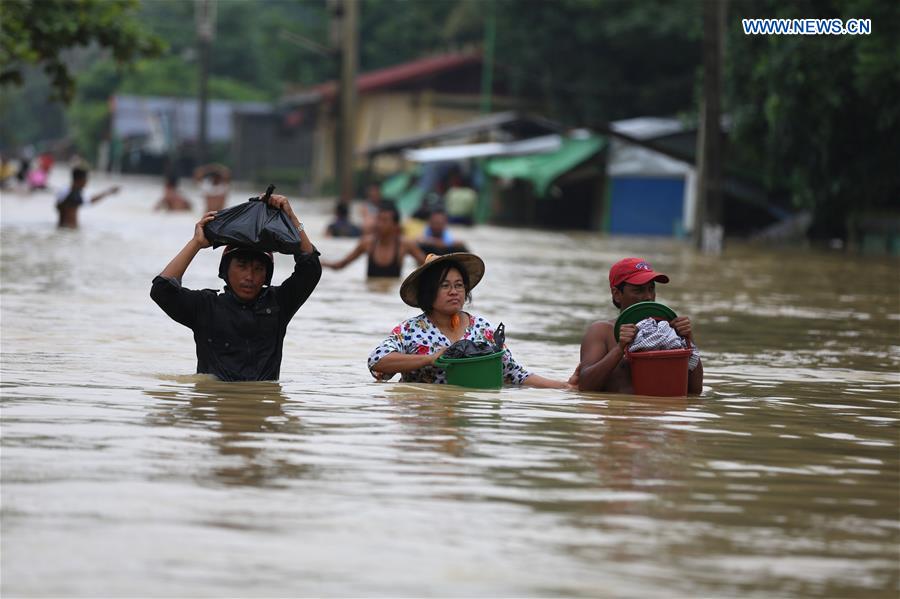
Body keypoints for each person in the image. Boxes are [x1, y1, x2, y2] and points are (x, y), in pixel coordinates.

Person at [149, 193, 321, 382]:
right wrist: (196, 243)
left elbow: (310, 268)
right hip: (215, 405)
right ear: (225, 269)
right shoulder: (206, 306)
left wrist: (292, 219)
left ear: (267, 275)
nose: (250, 277)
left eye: (258, 269)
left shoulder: (279, 304)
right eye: (242, 266)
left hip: (262, 407)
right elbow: (161, 290)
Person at [368, 252, 571, 388]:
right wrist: (428, 358)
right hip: (425, 417)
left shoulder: (482, 329)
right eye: (445, 286)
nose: (454, 292)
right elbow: (376, 361)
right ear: (429, 293)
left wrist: (564, 386)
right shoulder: (410, 330)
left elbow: (515, 374)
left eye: (459, 285)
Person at [577, 257, 703, 394]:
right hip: (622, 412)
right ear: (617, 294)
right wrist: (620, 348)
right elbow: (585, 387)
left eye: (651, 289)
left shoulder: (667, 332)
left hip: (659, 413)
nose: (648, 296)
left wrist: (688, 339)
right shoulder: (602, 331)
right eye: (639, 290)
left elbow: (695, 391)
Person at [322, 201, 426, 278]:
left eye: (384, 220)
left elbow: (427, 265)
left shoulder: (405, 244)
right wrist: (318, 263)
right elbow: (340, 265)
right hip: (371, 296)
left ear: (395, 226)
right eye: (378, 219)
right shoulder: (367, 243)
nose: (379, 224)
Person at [55, 166, 120, 229]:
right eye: (86, 179)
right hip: (65, 228)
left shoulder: (76, 193)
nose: (87, 182)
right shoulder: (66, 191)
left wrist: (108, 192)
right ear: (80, 180)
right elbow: (58, 205)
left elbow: (89, 201)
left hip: (71, 229)